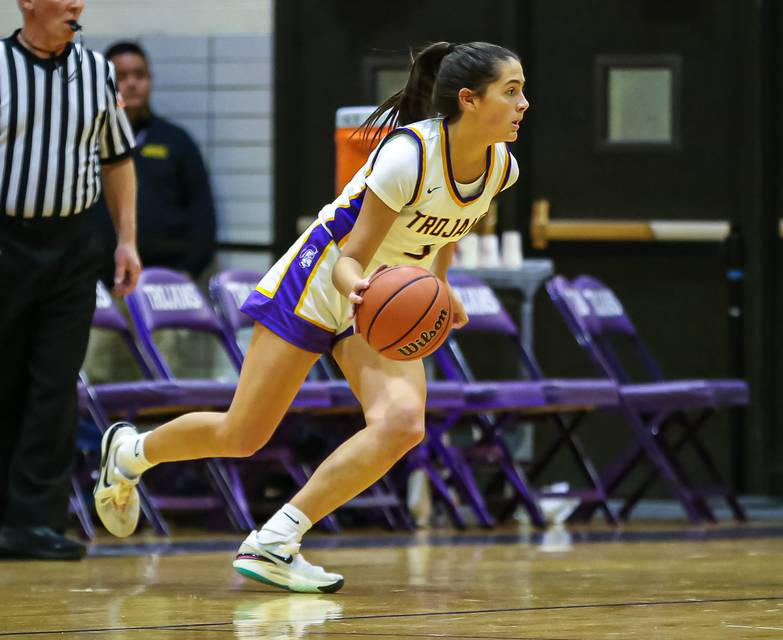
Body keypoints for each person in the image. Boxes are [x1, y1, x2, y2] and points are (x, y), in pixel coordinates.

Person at [94, 41, 527, 591]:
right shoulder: (407, 157)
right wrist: (363, 291)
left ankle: (276, 540)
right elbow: (350, 257)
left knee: (401, 423)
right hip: (323, 278)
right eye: (511, 92)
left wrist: (441, 288)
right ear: (469, 99)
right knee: (242, 433)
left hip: (381, 294)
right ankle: (132, 452)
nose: (523, 104)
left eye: (522, 90)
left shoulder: (500, 169)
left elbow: (443, 234)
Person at [0, 0, 140, 560]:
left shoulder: (99, 71)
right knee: (6, 377)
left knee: (55, 384)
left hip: (74, 246)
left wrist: (127, 239)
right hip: (5, 241)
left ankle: (36, 521)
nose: (76, 4)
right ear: (28, 3)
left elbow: (118, 159)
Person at [92, 41, 216, 282]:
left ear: (150, 80)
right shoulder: (87, 140)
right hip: (98, 283)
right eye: (122, 76)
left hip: (165, 280)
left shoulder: (176, 140)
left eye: (140, 75)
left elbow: (202, 211)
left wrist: (190, 269)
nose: (132, 83)